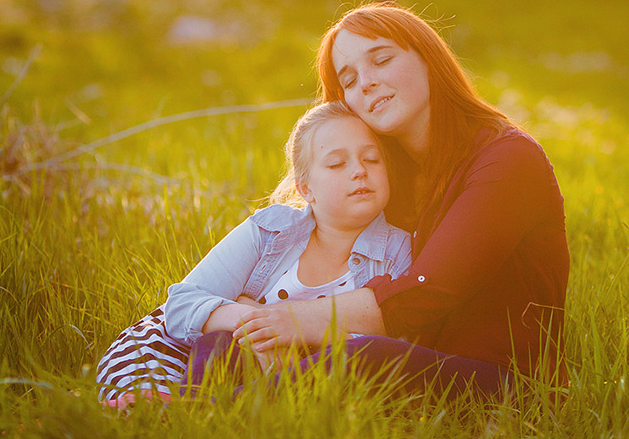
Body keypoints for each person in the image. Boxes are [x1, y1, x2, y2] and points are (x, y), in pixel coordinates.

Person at [226, 2, 570, 397]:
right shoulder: (383, 177)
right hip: (411, 356)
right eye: (350, 80)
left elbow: (428, 292)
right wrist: (251, 305)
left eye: (382, 60)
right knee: (225, 342)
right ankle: (164, 384)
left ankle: (205, 411)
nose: (367, 83)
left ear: (429, 59)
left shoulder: (508, 158)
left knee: (363, 355)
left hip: (507, 381)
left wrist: (290, 318)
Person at [95, 100, 410, 406]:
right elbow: (182, 303)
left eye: (372, 159)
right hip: (213, 353)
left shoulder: (398, 251)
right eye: (337, 163)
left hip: (308, 377)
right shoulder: (271, 230)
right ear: (305, 189)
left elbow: (395, 347)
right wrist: (255, 320)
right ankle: (189, 412)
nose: (359, 171)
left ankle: (195, 411)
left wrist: (293, 338)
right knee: (215, 346)